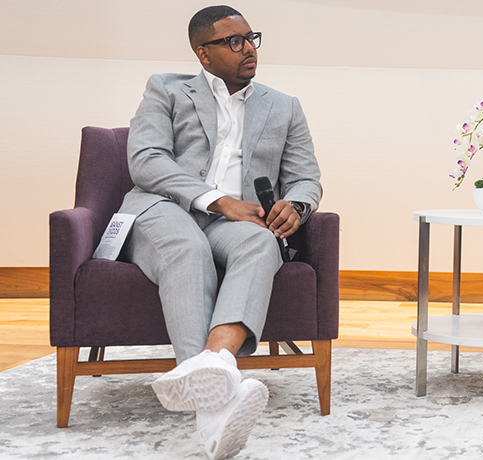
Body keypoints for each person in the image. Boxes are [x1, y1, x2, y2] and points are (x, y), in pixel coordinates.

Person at [117, 5, 322, 459]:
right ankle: (213, 409)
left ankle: (214, 365)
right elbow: (147, 160)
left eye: (251, 38)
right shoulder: (166, 89)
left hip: (240, 222)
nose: (248, 48)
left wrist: (299, 204)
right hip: (167, 209)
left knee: (261, 240)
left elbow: (307, 176)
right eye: (234, 41)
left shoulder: (284, 106)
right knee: (187, 247)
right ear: (203, 54)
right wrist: (216, 199)